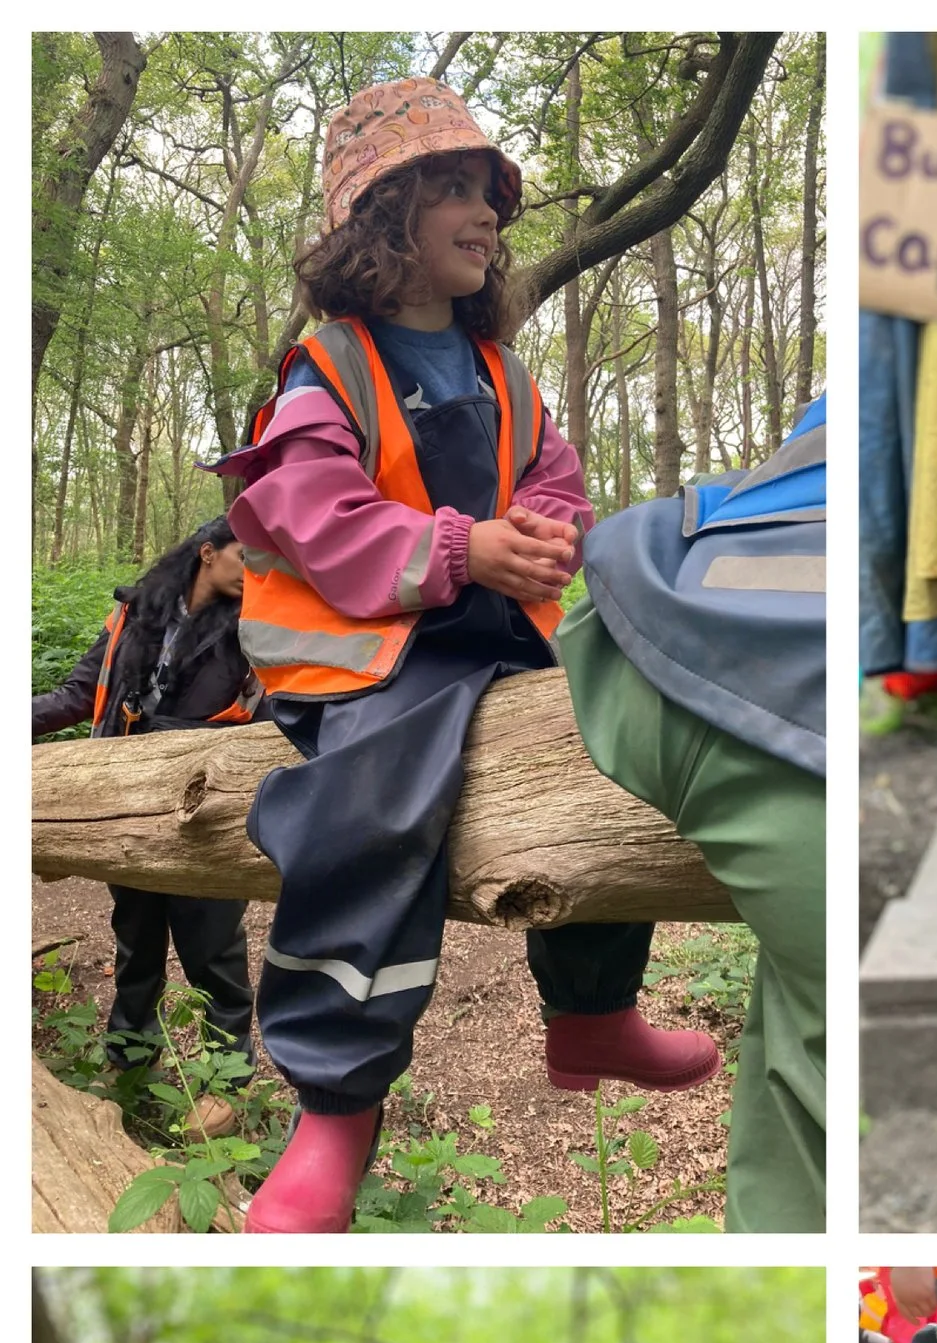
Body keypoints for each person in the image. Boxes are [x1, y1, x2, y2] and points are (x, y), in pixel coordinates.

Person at [209, 75, 719, 1233]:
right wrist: (457, 546)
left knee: (608, 737)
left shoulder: (504, 374)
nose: (486, 214)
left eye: (490, 194)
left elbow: (554, 478)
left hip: (495, 643)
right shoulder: (331, 362)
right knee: (367, 807)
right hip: (367, 654)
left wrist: (545, 536)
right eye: (453, 189)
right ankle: (336, 1105)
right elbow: (311, 508)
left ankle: (593, 1011)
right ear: (382, 220)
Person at [559, 396, 826, 1232]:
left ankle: (590, 1013)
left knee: (806, 1061)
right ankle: (588, 1010)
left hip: (654, 616)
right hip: (809, 685)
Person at [33, 517, 260, 1129]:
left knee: (213, 949)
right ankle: (130, 1058)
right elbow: (79, 694)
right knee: (135, 943)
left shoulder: (256, 626)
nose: (256, 570)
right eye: (246, 556)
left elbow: (274, 716)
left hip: (204, 811)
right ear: (207, 553)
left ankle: (227, 1082)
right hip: (126, 804)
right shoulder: (135, 614)